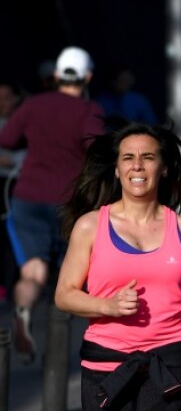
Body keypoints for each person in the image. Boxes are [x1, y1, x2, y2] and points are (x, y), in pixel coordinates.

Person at [55, 122, 181, 410]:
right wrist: (109, 306)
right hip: (108, 364)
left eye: (149, 157)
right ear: (117, 170)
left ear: (164, 168)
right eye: (128, 158)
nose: (138, 166)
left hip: (172, 361)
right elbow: (64, 294)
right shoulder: (90, 226)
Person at [0, 46, 105, 363]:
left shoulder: (33, 105)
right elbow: (98, 150)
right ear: (87, 77)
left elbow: (6, 139)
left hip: (27, 196)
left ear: (56, 75)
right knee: (70, 278)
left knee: (33, 270)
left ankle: (23, 311)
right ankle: (58, 357)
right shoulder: (89, 111)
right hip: (68, 203)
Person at [0, 79, 28, 302]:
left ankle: (10, 289)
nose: (4, 102)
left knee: (13, 241)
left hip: (15, 189)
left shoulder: (23, 124)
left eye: (8, 97)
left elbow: (32, 155)